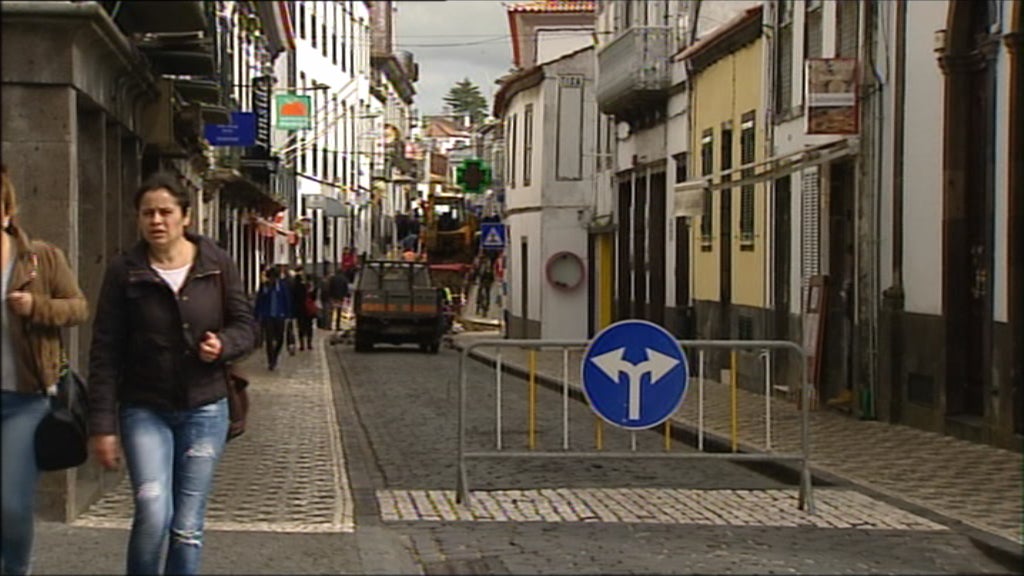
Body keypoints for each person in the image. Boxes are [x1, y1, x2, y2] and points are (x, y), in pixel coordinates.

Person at [87, 172, 256, 576]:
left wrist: (224, 345)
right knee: (152, 509)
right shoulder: (124, 271)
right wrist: (102, 425)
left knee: (186, 526)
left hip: (205, 406)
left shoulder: (216, 264)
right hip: (144, 408)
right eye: (148, 214)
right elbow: (105, 352)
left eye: (165, 212)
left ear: (186, 217)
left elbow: (247, 326)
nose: (156, 221)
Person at [1, 165, 89, 576]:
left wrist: (36, 307)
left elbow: (78, 308)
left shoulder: (41, 259)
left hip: (26, 400)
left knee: (12, 501)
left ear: (7, 212)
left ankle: (17, 569)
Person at [253, 266, 291, 370]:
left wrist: (288, 315)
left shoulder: (282, 286)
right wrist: (256, 315)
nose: (272, 280)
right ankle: (271, 360)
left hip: (280, 315)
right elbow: (259, 301)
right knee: (269, 339)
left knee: (280, 339)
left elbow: (286, 300)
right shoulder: (264, 286)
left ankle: (275, 354)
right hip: (267, 316)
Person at [292, 271, 316, 350]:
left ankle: (302, 344)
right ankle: (309, 344)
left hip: (300, 310)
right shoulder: (309, 287)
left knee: (301, 327)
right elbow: (314, 298)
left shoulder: (296, 287)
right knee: (309, 327)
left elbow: (294, 299)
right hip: (308, 310)